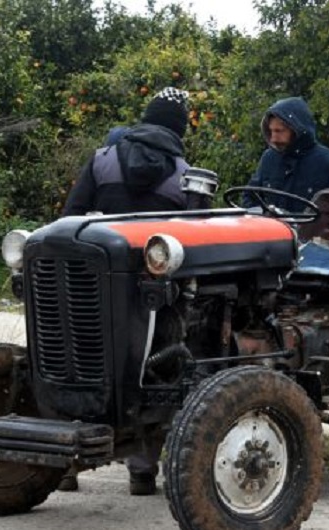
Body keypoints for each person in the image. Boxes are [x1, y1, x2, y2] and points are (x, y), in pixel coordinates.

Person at [57, 88, 192, 496]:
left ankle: (66, 466)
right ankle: (141, 470)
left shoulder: (102, 159)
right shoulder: (183, 172)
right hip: (151, 296)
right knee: (152, 372)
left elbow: (69, 220)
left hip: (90, 288)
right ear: (178, 128)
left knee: (80, 366)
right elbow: (186, 242)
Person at [61, 87, 191, 217]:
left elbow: (70, 219)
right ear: (180, 130)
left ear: (147, 119)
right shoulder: (186, 179)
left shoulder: (101, 161)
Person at [245, 97, 329, 212]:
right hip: (273, 229)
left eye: (279, 131)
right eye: (271, 131)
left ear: (296, 129)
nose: (273, 138)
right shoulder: (269, 159)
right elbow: (250, 199)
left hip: (312, 229)